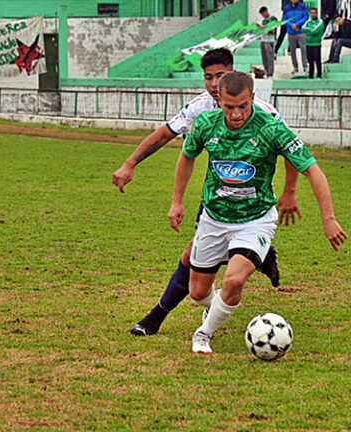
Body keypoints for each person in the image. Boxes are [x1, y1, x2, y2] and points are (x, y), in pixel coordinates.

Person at [112, 48, 301, 337]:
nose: (214, 84)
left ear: (234, 75)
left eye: (220, 76)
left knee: (192, 256)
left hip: (251, 201)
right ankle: (240, 275)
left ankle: (157, 317)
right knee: (194, 260)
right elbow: (165, 134)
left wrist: (290, 191)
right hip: (216, 198)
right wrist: (130, 163)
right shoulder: (199, 107)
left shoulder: (261, 110)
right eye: (208, 77)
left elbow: (291, 149)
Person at [170, 71, 346, 354]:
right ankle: (215, 309)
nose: (237, 114)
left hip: (256, 219)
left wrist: (328, 219)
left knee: (234, 280)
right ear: (219, 100)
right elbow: (187, 157)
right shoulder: (205, 124)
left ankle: (203, 334)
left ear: (252, 97)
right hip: (214, 218)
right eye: (229, 107)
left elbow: (313, 170)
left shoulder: (270, 128)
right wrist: (177, 201)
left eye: (243, 106)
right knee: (198, 292)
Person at [283, 0, 309, 74]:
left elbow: (306, 17)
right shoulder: (286, 8)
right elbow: (284, 20)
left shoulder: (302, 6)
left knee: (303, 49)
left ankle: (305, 66)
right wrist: (291, 25)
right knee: (292, 50)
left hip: (301, 31)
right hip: (291, 32)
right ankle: (295, 67)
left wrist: (297, 24)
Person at [257, 6, 279, 78]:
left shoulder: (273, 19)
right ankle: (267, 72)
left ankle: (270, 73)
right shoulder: (264, 21)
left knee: (270, 58)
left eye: (263, 14)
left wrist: (263, 27)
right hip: (263, 40)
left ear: (266, 12)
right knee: (264, 58)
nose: (263, 16)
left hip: (270, 40)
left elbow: (273, 30)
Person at [304, 7, 324, 78]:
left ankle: (319, 75)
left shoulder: (320, 22)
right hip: (308, 43)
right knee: (310, 61)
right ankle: (311, 75)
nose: (313, 14)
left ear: (317, 13)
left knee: (317, 60)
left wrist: (308, 31)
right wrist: (311, 31)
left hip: (316, 44)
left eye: (314, 13)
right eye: (311, 13)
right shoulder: (308, 22)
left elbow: (316, 31)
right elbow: (303, 29)